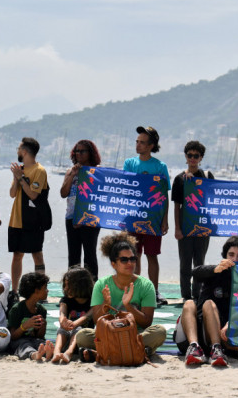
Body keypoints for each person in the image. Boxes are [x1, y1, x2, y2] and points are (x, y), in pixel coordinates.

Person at [75, 232, 167, 360]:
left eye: (133, 259)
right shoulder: (102, 285)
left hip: (135, 333)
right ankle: (135, 351)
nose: (130, 263)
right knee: (82, 335)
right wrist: (105, 305)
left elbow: (146, 322)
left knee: (159, 332)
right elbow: (97, 321)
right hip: (109, 333)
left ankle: (107, 352)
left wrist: (128, 306)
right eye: (124, 260)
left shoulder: (146, 285)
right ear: (114, 264)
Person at [175, 236, 238, 367]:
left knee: (209, 304)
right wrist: (216, 269)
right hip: (197, 330)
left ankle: (216, 348)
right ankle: (194, 347)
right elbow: (195, 272)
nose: (235, 259)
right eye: (231, 254)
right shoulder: (215, 271)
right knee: (189, 303)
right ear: (224, 256)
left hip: (223, 331)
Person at [123, 126, 171, 306]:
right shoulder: (129, 163)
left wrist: (165, 220)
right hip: (132, 218)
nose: (138, 145)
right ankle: (136, 292)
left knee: (152, 255)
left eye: (142, 142)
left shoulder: (160, 166)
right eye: (137, 141)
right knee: (133, 255)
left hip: (153, 219)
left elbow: (164, 195)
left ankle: (154, 292)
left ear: (151, 145)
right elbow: (125, 187)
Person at [172, 140, 215, 302]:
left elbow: (214, 198)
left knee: (199, 262)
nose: (192, 158)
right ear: (185, 156)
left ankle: (198, 294)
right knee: (185, 262)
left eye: (196, 156)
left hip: (203, 223)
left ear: (201, 158)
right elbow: (177, 206)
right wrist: (177, 228)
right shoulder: (179, 178)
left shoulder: (207, 176)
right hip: (185, 223)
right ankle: (185, 295)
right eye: (190, 155)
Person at [8, 137, 48, 293]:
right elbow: (12, 194)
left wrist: (21, 178)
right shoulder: (21, 169)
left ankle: (42, 289)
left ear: (24, 151)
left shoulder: (39, 171)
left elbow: (33, 195)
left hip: (33, 220)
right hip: (16, 220)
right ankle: (14, 290)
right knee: (17, 255)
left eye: (19, 148)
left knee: (36, 254)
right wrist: (16, 177)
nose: (17, 151)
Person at [60, 140, 102, 279]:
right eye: (76, 151)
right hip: (71, 217)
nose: (78, 154)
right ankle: (72, 288)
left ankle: (92, 289)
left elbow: (100, 197)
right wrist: (72, 175)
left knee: (90, 255)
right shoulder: (70, 171)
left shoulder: (98, 171)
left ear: (90, 153)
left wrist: (84, 218)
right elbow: (63, 193)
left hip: (90, 219)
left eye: (82, 151)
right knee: (73, 256)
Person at [6, 271, 53, 361]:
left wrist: (43, 327)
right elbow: (12, 336)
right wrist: (24, 326)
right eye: (45, 288)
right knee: (24, 345)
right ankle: (34, 355)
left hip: (33, 339)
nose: (47, 291)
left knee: (41, 343)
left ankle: (46, 352)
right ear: (36, 291)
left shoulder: (41, 310)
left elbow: (39, 336)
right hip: (18, 340)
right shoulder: (17, 309)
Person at [51, 266, 94, 364]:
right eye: (65, 285)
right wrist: (63, 321)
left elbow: (87, 316)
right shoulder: (66, 300)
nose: (66, 289)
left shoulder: (92, 301)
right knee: (61, 329)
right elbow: (62, 312)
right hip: (67, 336)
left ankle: (69, 352)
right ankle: (57, 352)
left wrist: (74, 324)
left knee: (78, 329)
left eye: (69, 286)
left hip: (82, 340)